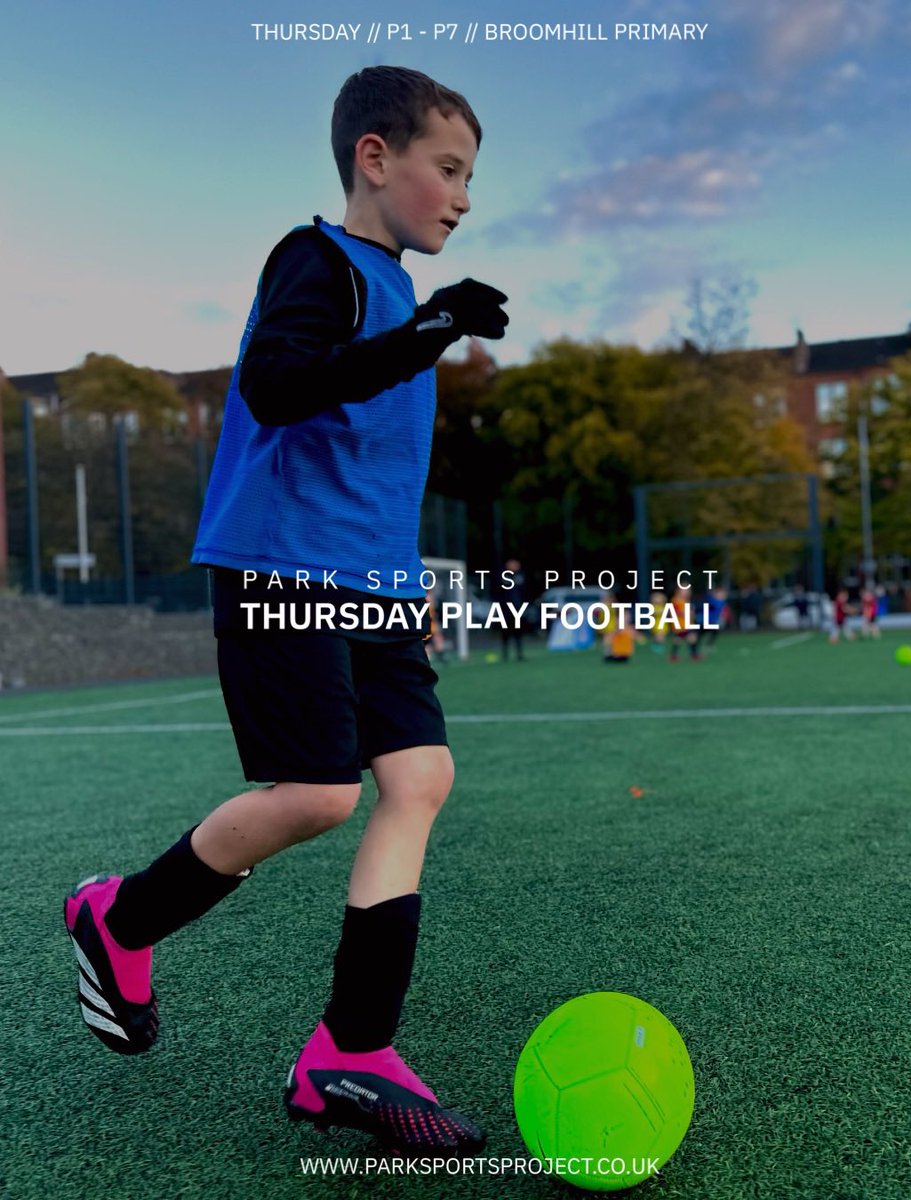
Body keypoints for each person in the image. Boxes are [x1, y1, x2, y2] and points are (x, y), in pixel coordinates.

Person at [63, 66, 508, 1157]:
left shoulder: (401, 292)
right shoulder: (317, 260)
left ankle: (348, 1053)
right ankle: (115, 919)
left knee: (419, 777)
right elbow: (277, 385)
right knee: (315, 794)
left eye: (469, 179)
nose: (462, 196)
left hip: (374, 585)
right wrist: (430, 332)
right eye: (447, 170)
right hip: (283, 571)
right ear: (374, 156)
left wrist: (431, 337)